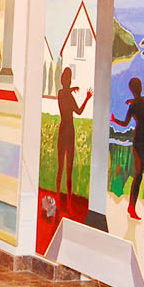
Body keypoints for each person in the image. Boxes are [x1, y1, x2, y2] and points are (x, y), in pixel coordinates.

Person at [111, 77, 144, 220]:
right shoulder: (143, 101)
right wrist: (115, 120)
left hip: (142, 138)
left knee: (139, 174)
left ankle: (131, 207)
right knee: (138, 174)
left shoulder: (140, 102)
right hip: (140, 139)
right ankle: (132, 208)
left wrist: (131, 102)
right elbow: (126, 123)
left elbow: (125, 123)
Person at [55, 67, 92, 207]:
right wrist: (87, 98)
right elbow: (79, 111)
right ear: (69, 81)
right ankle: (69, 202)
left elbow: (64, 92)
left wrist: (71, 89)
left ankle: (58, 198)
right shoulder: (69, 96)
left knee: (61, 168)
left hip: (62, 130)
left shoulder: (61, 94)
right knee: (68, 169)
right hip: (69, 131)